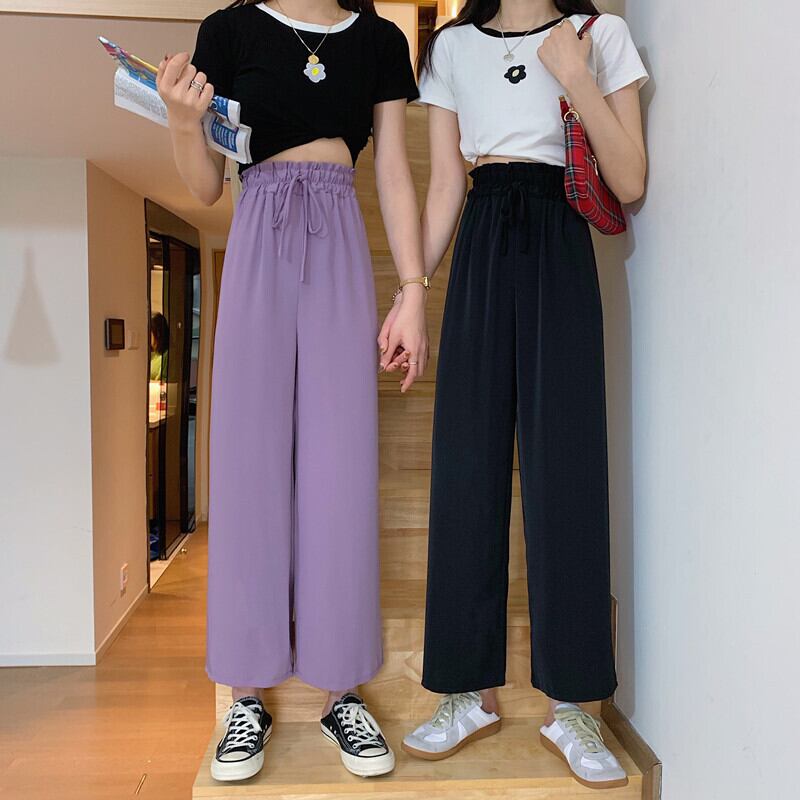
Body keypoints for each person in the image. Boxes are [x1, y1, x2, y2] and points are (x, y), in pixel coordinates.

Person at [157, 0, 428, 782]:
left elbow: (392, 170)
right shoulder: (230, 31)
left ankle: (342, 689)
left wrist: (413, 289)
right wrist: (181, 121)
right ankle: (247, 694)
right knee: (249, 465)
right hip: (257, 231)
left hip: (340, 232)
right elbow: (205, 186)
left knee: (340, 469)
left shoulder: (379, 40)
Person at [393, 0, 648, 790]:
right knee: (465, 467)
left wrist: (576, 74)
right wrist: (411, 290)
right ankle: (466, 691)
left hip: (561, 235)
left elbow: (631, 179)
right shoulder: (451, 47)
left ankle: (575, 704)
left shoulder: (599, 36)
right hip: (480, 235)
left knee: (565, 470)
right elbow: (445, 184)